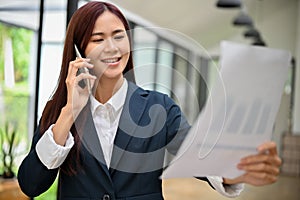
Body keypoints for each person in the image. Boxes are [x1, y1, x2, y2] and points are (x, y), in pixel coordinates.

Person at [18, 1, 282, 200]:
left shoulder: (160, 108)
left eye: (119, 36)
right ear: (79, 51)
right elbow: (31, 184)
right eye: (98, 39)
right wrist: (70, 113)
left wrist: (237, 171)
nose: (112, 48)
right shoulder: (60, 113)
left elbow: (198, 154)